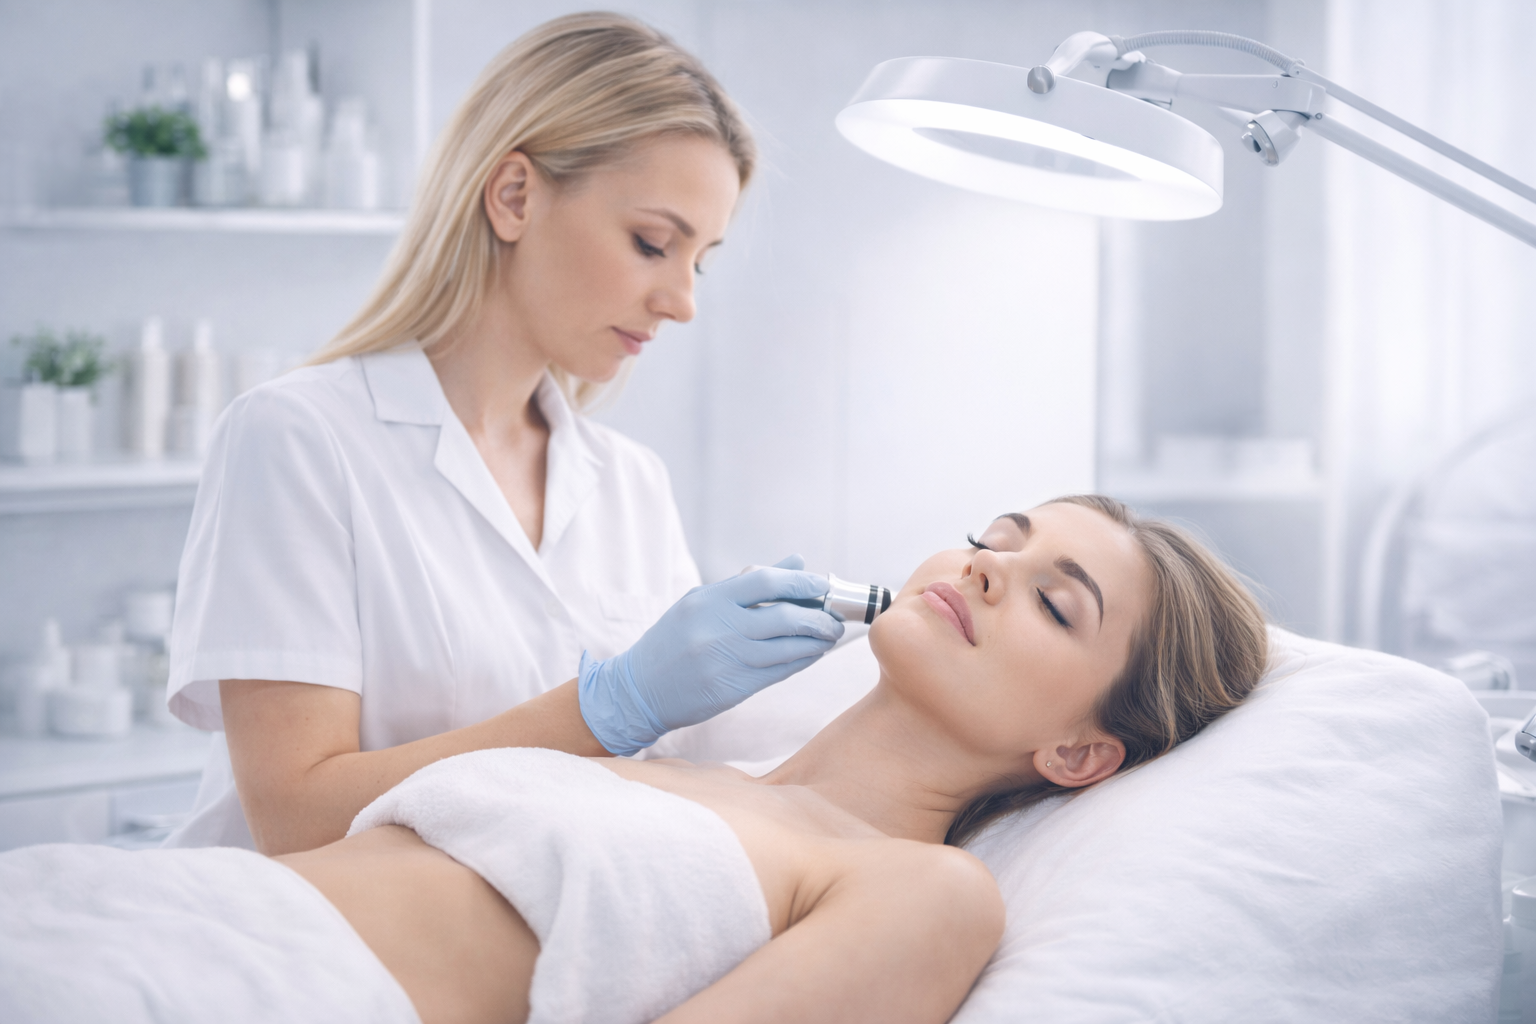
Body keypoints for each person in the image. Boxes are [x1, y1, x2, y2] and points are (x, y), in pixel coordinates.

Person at [0, 497, 1269, 1024]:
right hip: (119, 911)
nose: (987, 563)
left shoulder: (925, 890)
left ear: (1081, 750)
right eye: (997, 532)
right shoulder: (707, 767)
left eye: (1056, 602)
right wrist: (620, 705)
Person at [162, 13, 847, 852]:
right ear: (514, 196)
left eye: (697, 261)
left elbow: (666, 773)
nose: (683, 301)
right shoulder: (298, 438)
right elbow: (295, 815)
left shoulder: (629, 482)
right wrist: (608, 709)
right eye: (652, 244)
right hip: (300, 938)